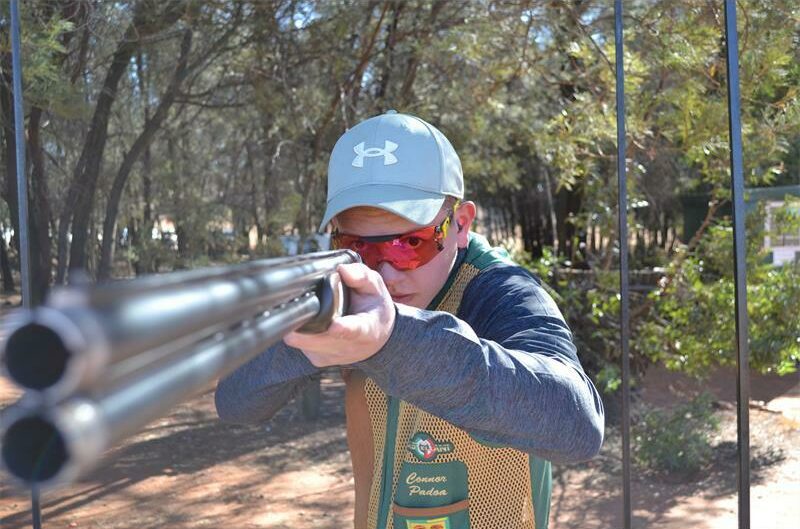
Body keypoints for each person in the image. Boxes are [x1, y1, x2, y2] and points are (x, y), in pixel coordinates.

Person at [215, 110, 604, 529]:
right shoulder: (347, 291)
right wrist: (309, 340)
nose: (385, 274)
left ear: (460, 224)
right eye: (360, 247)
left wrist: (392, 338)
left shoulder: (500, 290)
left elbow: (577, 424)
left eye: (409, 245)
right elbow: (236, 403)